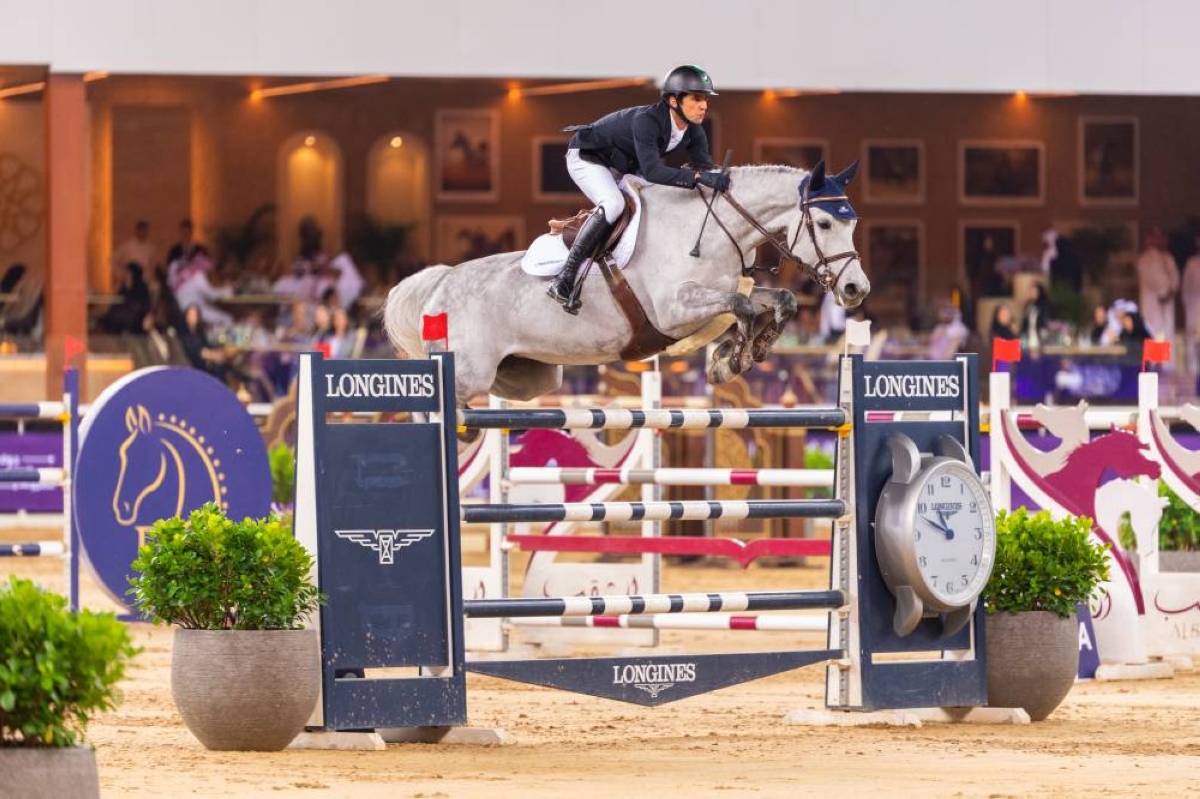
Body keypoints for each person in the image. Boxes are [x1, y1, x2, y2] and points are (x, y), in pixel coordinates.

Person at [547, 64, 726, 313]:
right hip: (588, 157)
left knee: (658, 200)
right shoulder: (647, 121)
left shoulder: (694, 131)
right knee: (614, 204)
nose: (704, 105)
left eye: (705, 99)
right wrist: (698, 177)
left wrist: (719, 179)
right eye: (696, 99)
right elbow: (653, 171)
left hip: (623, 164)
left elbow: (705, 168)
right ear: (673, 101)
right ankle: (564, 279)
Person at [1136, 228, 1179, 340]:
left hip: (1166, 310)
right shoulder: (1147, 259)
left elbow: (1175, 281)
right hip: (1154, 309)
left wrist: (1171, 291)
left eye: (1162, 237)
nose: (1162, 240)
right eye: (1157, 237)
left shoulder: (1168, 258)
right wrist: (1167, 292)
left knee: (1165, 340)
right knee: (1156, 340)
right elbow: (1161, 284)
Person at [165, 219, 209, 283]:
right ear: (180, 233)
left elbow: (206, 266)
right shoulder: (174, 251)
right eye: (184, 232)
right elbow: (170, 267)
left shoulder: (200, 250)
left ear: (191, 232)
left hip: (196, 282)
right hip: (180, 283)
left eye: (188, 232)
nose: (186, 235)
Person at [1182, 235, 1200, 373]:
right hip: (1194, 308)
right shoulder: (1192, 263)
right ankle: (1192, 372)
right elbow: (1186, 288)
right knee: (1193, 341)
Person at [1020, 283, 1050, 349]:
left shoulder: (1043, 305)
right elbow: (1025, 321)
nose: (1032, 293)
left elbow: (1045, 321)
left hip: (1039, 336)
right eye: (1031, 291)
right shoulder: (1028, 305)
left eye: (1034, 291)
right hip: (1028, 336)